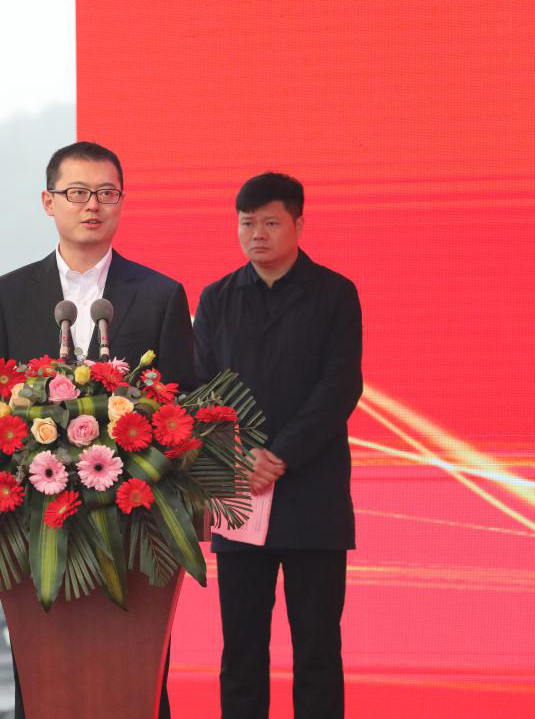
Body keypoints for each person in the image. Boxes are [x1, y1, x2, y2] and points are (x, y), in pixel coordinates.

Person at [0, 140, 196, 719]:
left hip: (137, 529)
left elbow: (185, 411)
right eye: (77, 192)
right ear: (49, 202)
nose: (92, 205)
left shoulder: (161, 295)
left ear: (122, 202)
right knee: (45, 680)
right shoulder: (8, 294)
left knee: (136, 679)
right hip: (36, 527)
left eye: (106, 193)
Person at [193, 172, 363, 719]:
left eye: (270, 223)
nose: (257, 235)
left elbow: (340, 387)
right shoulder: (217, 299)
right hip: (241, 494)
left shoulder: (335, 294)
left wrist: (281, 453)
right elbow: (202, 388)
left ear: (299, 224)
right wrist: (242, 454)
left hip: (313, 495)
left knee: (317, 649)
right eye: (247, 224)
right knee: (241, 651)